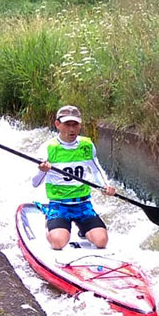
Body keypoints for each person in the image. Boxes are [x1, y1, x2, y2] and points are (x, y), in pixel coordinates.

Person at [32, 105, 117, 251]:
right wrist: (42, 171)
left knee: (101, 241)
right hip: (59, 205)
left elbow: (97, 170)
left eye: (75, 125)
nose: (71, 129)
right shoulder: (48, 147)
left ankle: (83, 229)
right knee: (58, 243)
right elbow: (35, 183)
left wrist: (105, 186)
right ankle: (50, 219)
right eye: (67, 125)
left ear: (80, 125)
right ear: (58, 125)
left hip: (83, 205)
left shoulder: (86, 145)